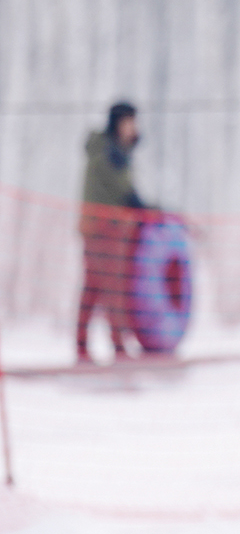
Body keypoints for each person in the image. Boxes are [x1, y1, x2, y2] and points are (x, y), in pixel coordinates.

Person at [76, 101, 146, 364]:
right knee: (113, 286)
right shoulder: (110, 153)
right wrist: (148, 209)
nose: (134, 128)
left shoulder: (112, 151)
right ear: (118, 122)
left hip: (97, 228)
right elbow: (125, 192)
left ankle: (81, 345)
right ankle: (117, 345)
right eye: (130, 122)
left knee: (93, 287)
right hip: (105, 229)